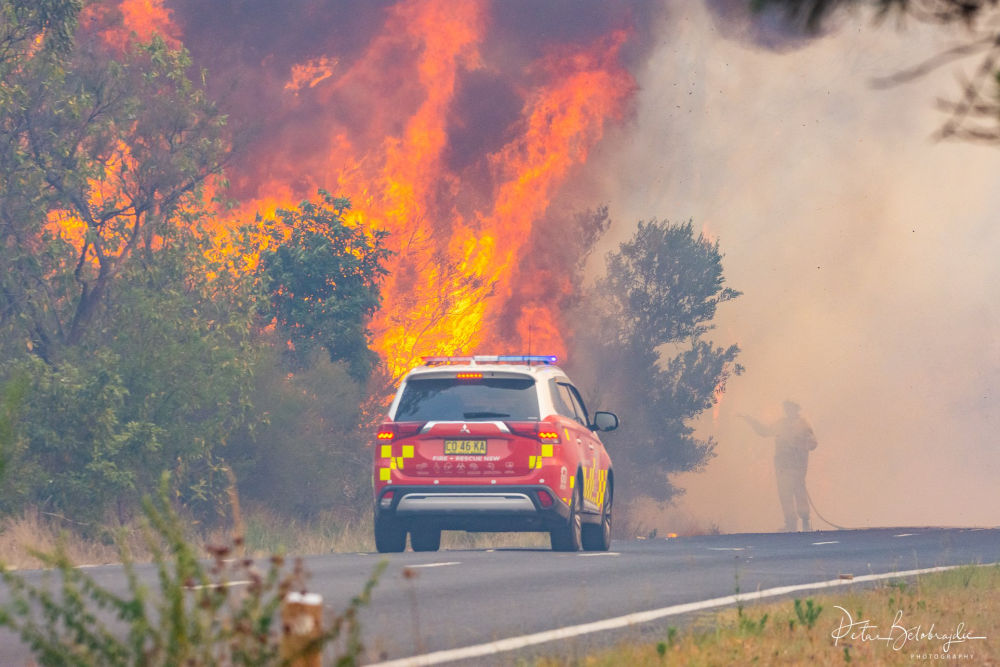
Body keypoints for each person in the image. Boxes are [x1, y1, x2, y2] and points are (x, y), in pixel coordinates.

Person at [741, 401, 818, 532]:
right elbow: (764, 432)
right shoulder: (781, 424)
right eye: (786, 408)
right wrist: (750, 420)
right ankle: (790, 524)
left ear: (796, 409)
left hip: (797, 467)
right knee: (785, 494)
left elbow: (813, 443)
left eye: (790, 407)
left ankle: (805, 523)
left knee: (799, 493)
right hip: (782, 466)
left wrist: (798, 444)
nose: (787, 410)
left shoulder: (803, 425)